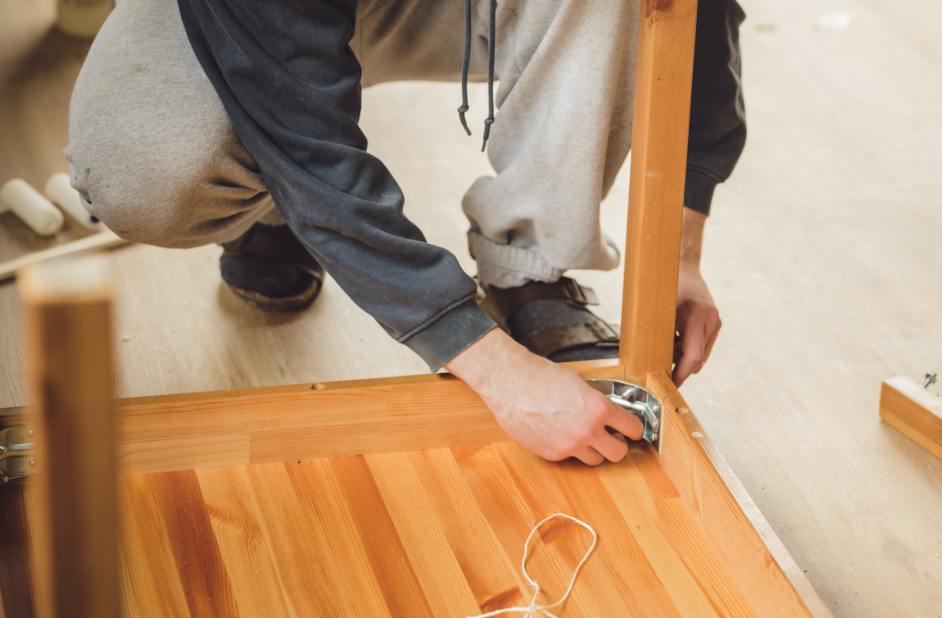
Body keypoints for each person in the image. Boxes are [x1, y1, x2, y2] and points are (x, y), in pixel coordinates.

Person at [66, 0, 746, 465]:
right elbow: (300, 130)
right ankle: (273, 203)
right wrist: (493, 368)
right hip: (249, 19)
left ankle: (529, 265)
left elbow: (694, 13)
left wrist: (681, 248)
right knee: (143, 174)